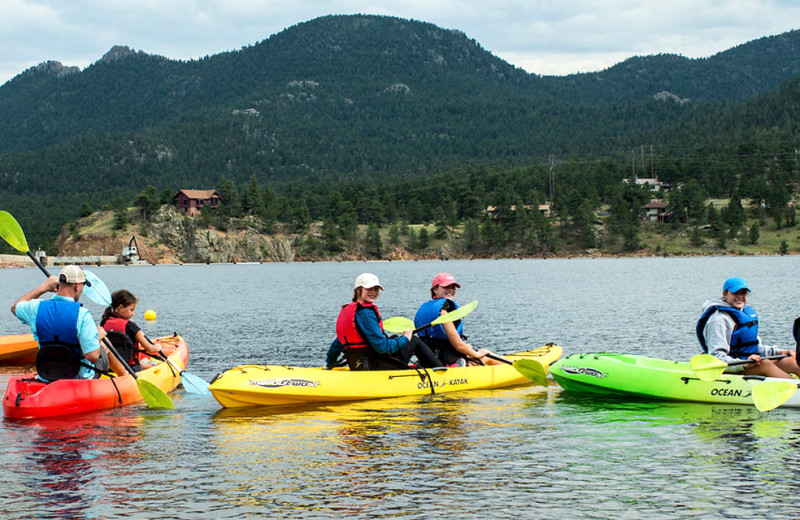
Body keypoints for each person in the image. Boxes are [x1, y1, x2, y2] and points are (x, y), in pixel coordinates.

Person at [10, 265, 127, 380]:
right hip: (79, 376)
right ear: (77, 286)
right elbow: (92, 356)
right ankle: (126, 379)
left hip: (47, 374)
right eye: (83, 286)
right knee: (104, 346)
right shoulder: (82, 314)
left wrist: (43, 287)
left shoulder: (36, 307)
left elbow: (15, 307)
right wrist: (98, 337)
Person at [326, 273, 441, 371]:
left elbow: (337, 345)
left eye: (376, 289)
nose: (373, 292)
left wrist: (330, 364)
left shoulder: (350, 311)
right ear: (358, 290)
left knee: (395, 337)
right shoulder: (366, 314)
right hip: (378, 366)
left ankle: (427, 366)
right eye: (369, 289)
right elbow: (382, 347)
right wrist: (406, 338)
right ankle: (441, 371)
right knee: (414, 340)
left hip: (359, 364)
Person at [697, 276, 800, 378]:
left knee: (791, 361)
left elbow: (754, 347)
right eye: (735, 293)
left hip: (749, 363)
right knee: (765, 364)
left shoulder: (745, 314)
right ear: (725, 294)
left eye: (743, 293)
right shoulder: (718, 320)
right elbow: (717, 357)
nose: (740, 296)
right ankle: (794, 389)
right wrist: (743, 364)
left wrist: (780, 352)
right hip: (732, 368)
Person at [414, 272, 502, 366]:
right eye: (446, 287)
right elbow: (459, 346)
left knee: (472, 350)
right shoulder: (443, 314)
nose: (450, 290)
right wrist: (477, 354)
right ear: (435, 289)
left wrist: (467, 348)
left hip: (428, 361)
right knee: (486, 354)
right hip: (449, 362)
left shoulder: (424, 308)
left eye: (452, 287)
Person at [100, 289, 163, 371]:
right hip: (131, 369)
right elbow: (150, 349)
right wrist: (158, 347)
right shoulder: (131, 326)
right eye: (131, 310)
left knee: (145, 364)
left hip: (111, 368)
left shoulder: (104, 323)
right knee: (149, 364)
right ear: (121, 308)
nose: (133, 314)